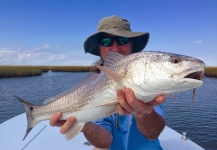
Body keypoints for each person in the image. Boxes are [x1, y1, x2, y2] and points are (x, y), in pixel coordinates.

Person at [49, 16, 166, 150]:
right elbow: (105, 142)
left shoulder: (146, 78)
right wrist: (83, 123)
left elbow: (152, 133)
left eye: (123, 40)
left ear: (131, 45)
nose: (115, 48)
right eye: (106, 41)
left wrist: (144, 111)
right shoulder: (92, 86)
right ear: (99, 48)